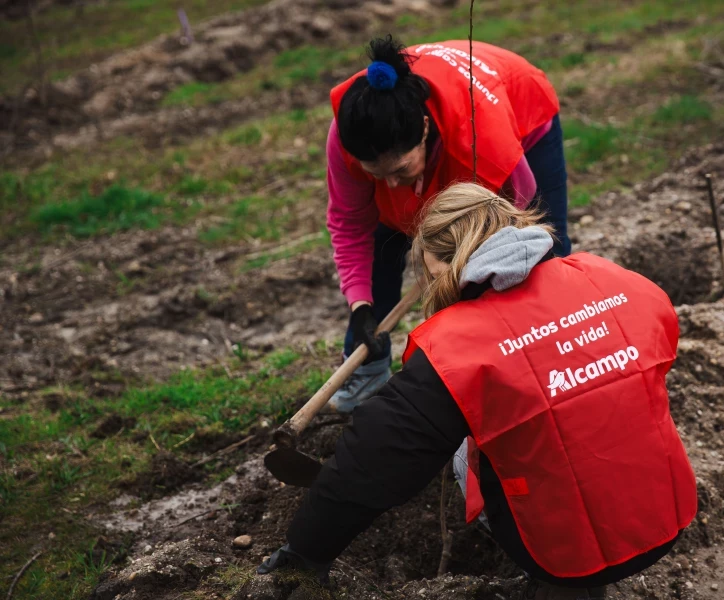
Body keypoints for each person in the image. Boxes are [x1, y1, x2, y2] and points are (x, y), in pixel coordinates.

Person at [260, 183, 697, 600]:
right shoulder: (608, 277)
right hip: (668, 515)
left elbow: (375, 458)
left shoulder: (458, 349)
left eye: (434, 273)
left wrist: (306, 550)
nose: (434, 286)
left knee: (462, 446)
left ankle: (557, 580)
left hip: (566, 556)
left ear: (456, 263)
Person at [326, 35, 570, 412]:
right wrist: (361, 305)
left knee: (539, 252)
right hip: (442, 126)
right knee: (379, 247)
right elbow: (350, 226)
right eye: (375, 174)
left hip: (516, 100)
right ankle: (366, 372)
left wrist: (465, 261)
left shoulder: (481, 141)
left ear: (424, 129)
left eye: (400, 169)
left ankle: (551, 351)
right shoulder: (353, 134)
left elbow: (519, 219)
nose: (390, 186)